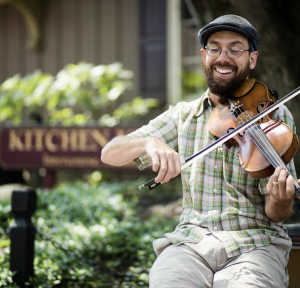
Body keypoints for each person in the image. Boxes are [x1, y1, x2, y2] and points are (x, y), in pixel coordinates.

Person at [101, 14, 299, 288]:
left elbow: (278, 214)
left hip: (255, 244)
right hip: (190, 245)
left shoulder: (272, 114)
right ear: (205, 56)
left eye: (235, 49)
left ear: (252, 59)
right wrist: (150, 143)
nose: (223, 57)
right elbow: (110, 152)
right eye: (215, 48)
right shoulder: (184, 115)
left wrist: (280, 199)